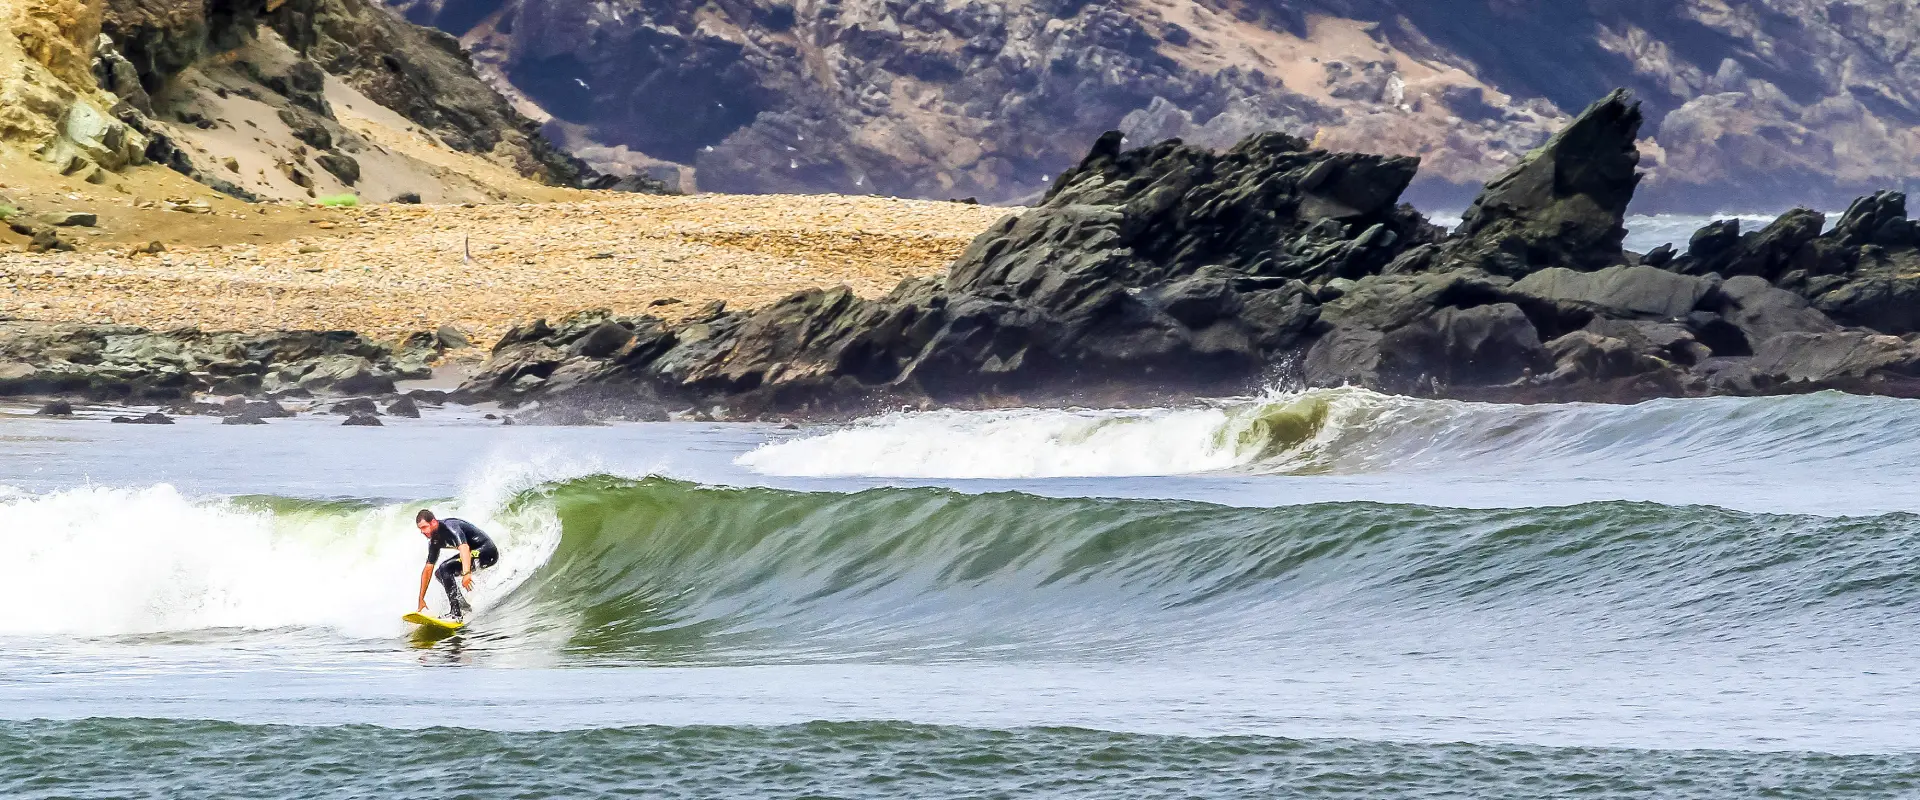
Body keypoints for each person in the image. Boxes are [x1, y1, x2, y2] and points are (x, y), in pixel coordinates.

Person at [414, 509, 501, 620]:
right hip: (473, 553)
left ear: (433, 522)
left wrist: (467, 573)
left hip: (487, 552)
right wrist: (421, 599)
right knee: (439, 573)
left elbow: (464, 548)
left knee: (445, 568)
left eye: (424, 527)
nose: (422, 531)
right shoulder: (434, 541)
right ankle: (463, 606)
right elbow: (428, 569)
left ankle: (456, 613)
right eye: (420, 529)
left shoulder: (450, 528)